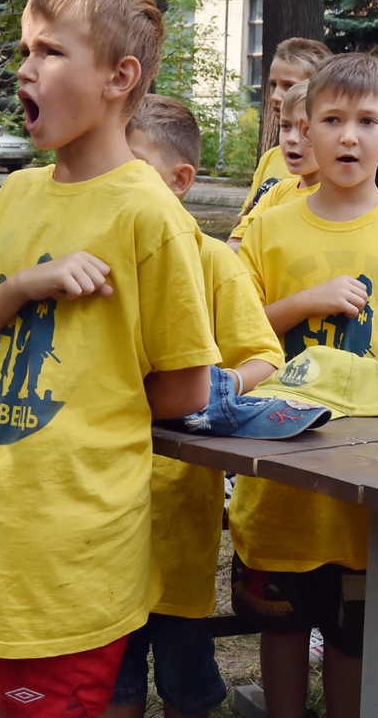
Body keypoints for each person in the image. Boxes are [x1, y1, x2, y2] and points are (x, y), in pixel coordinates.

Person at [0, 0, 220, 718]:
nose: (24, 67)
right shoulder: (13, 199)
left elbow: (186, 388)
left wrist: (97, 405)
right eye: (23, 48)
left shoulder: (149, 215)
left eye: (51, 51)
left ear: (120, 78)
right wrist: (25, 285)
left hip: (77, 538)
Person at [233, 53, 378, 718]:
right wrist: (305, 303)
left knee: (354, 630)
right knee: (280, 621)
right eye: (332, 119)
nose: (349, 136)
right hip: (280, 474)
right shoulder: (268, 230)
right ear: (303, 126)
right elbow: (238, 337)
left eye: (367, 120)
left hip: (375, 480)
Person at [111, 94, 284, 718]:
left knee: (186, 675)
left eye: (133, 167)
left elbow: (264, 354)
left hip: (179, 503)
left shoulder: (213, 261)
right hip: (102, 503)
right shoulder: (96, 255)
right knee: (116, 675)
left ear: (181, 181)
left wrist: (221, 385)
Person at [241, 38, 332, 215]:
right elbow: (246, 222)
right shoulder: (270, 158)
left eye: (289, 86)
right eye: (273, 84)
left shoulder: (331, 165)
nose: (275, 95)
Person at [230, 80, 319, 251]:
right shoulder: (274, 192)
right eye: (285, 126)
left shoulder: (336, 201)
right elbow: (235, 243)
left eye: (306, 130)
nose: (292, 138)